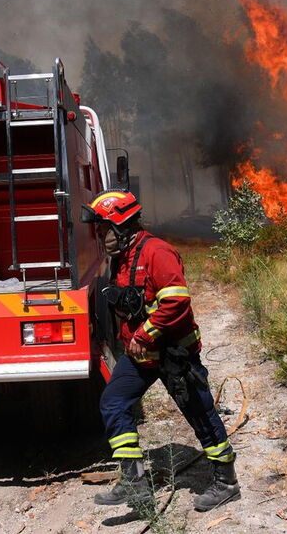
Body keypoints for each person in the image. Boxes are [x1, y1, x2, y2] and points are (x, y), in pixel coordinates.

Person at [80, 190, 240, 512]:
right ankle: (134, 482)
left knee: (200, 415)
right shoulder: (122, 258)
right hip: (141, 357)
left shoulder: (158, 252)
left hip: (173, 354)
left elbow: (176, 302)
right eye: (99, 230)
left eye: (105, 228)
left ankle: (226, 483)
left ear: (123, 226)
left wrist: (145, 333)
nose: (101, 236)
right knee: (113, 402)